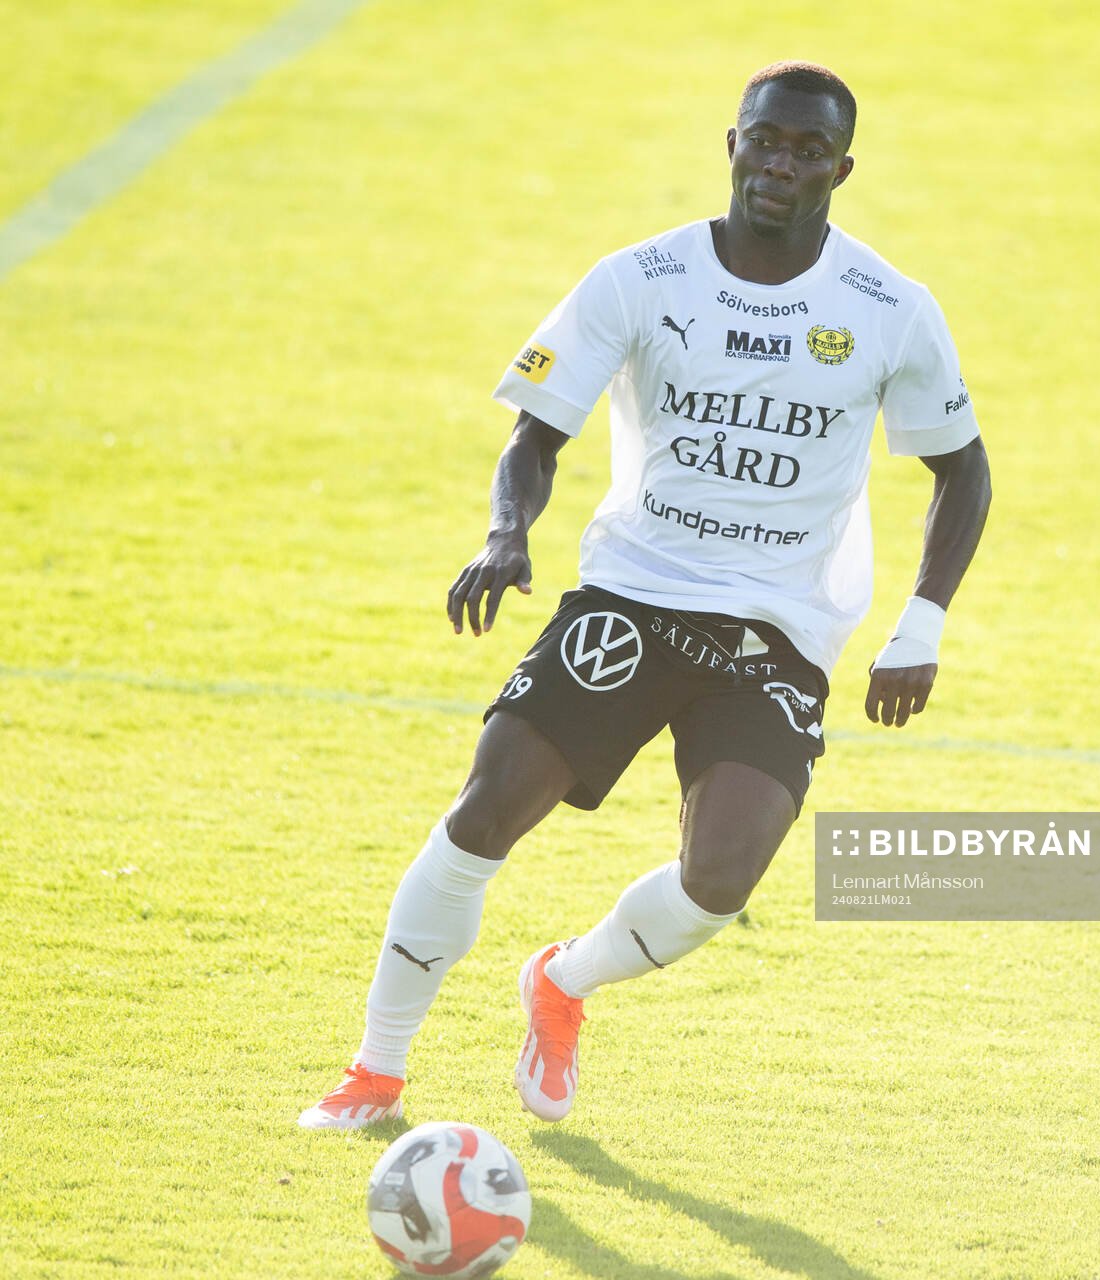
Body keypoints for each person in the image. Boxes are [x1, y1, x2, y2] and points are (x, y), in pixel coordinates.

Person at [299, 60, 990, 1130]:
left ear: (840, 169)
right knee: (485, 812)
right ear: (733, 142)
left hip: (777, 625)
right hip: (632, 594)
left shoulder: (890, 308)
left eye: (807, 150)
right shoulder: (640, 278)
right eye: (766, 139)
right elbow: (536, 435)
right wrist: (504, 535)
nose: (780, 163)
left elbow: (963, 468)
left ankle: (563, 982)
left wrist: (922, 621)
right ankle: (375, 1069)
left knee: (719, 883)